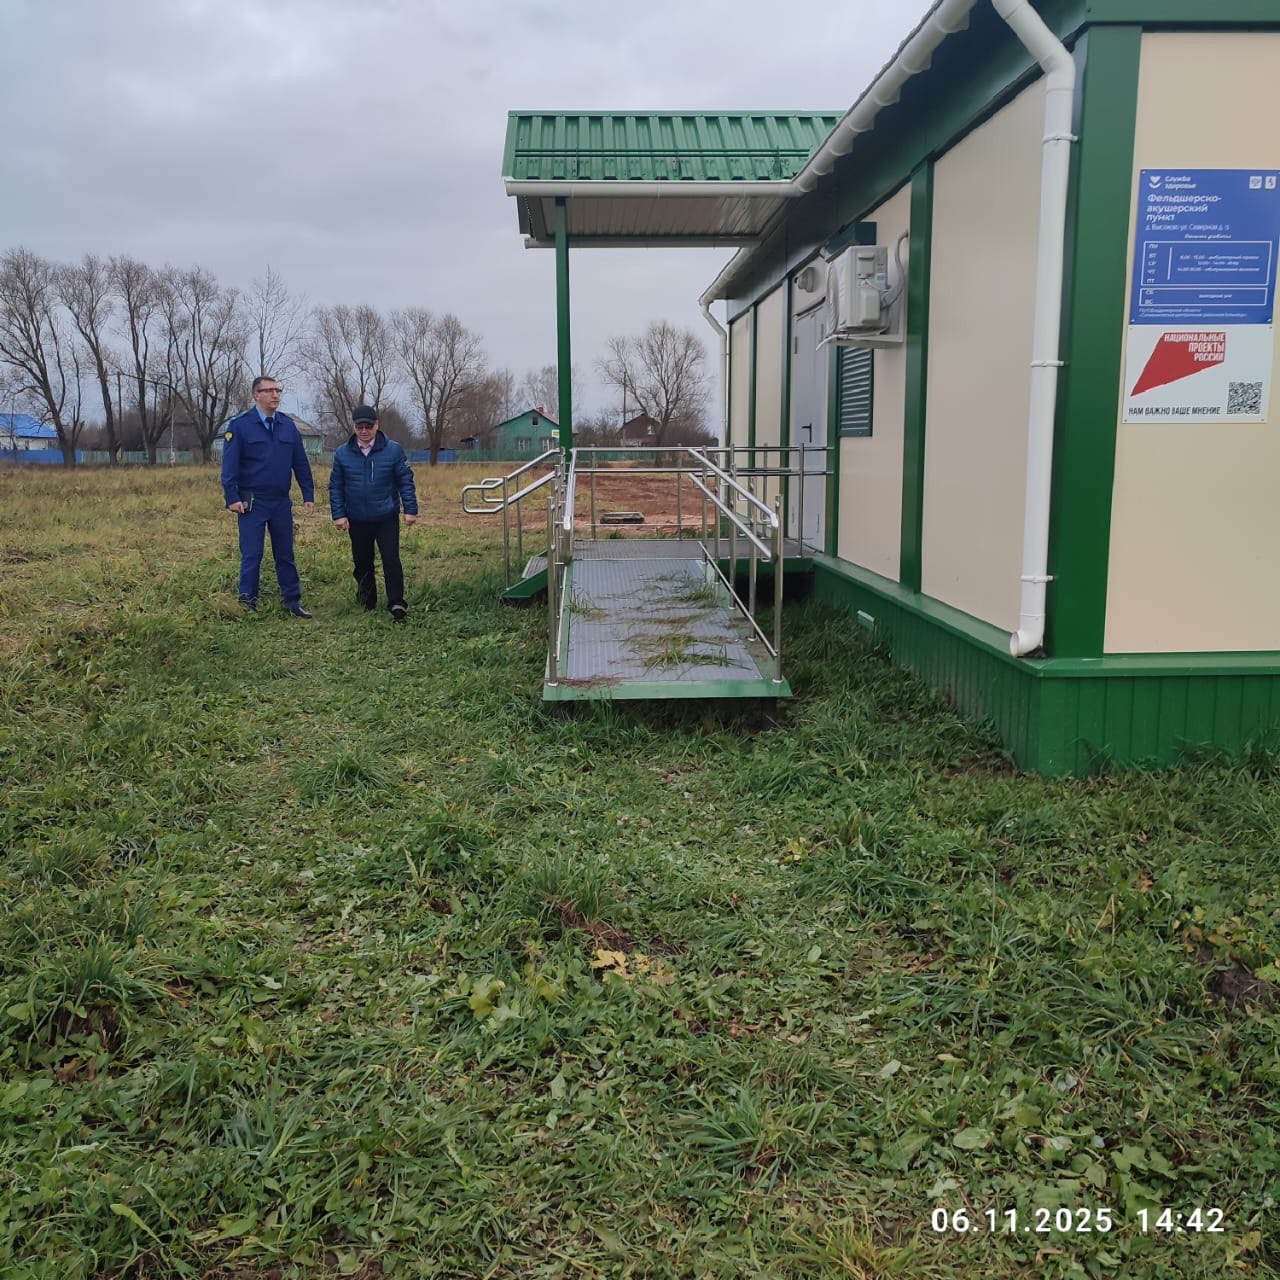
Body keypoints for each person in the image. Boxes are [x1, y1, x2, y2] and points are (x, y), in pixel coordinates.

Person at [220, 376, 316, 616]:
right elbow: (229, 466)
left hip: (280, 501)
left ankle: (292, 602)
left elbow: (300, 462)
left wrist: (308, 493)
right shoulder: (240, 426)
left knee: (285, 553)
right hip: (252, 501)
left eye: (277, 390)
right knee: (252, 553)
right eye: (269, 391)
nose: (275, 395)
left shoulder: (287, 426)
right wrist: (232, 497)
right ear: (256, 395)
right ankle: (247, 603)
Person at [328, 405, 418, 620]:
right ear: (354, 427)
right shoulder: (342, 453)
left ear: (377, 425)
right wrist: (338, 515)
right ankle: (367, 601)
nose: (364, 431)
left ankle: (396, 602)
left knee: (391, 559)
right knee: (362, 562)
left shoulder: (393, 450)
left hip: (386, 516)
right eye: (360, 427)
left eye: (368, 426)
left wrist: (410, 509)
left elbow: (405, 481)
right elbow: (336, 486)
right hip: (357, 517)